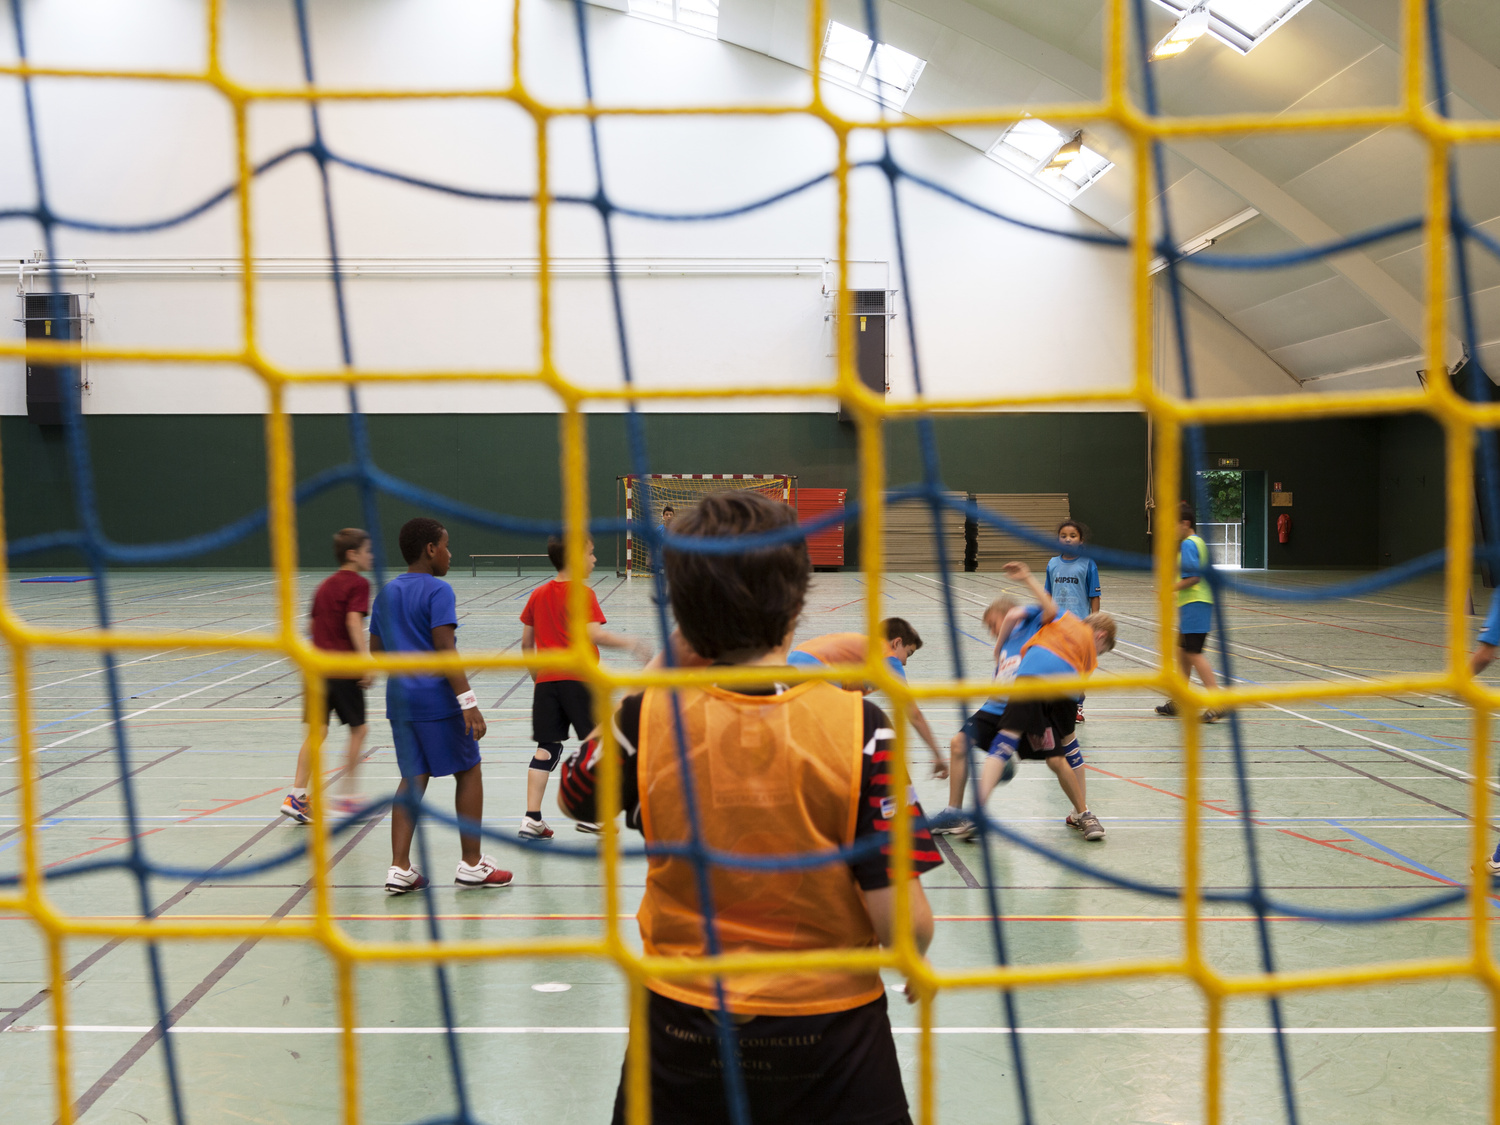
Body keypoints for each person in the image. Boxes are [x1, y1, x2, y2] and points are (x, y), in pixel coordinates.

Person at [555, 491, 941, 1125]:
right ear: (796, 600)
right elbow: (906, 923)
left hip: (681, 1028)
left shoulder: (647, 716)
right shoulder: (860, 724)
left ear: (682, 608)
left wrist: (660, 668)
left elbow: (576, 796)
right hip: (832, 1034)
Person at [373, 517, 511, 894]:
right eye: (446, 546)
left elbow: (376, 652)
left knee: (413, 777)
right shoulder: (438, 590)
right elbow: (445, 648)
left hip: (399, 702)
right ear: (430, 550)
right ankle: (472, 864)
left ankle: (399, 868)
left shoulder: (385, 593)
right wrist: (468, 703)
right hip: (437, 700)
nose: (450, 553)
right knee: (469, 770)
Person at [928, 590, 1095, 838]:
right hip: (995, 708)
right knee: (958, 743)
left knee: (1057, 760)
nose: (993, 631)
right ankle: (954, 813)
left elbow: (1044, 609)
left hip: (1029, 707)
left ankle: (1083, 812)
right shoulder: (1006, 645)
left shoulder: (1033, 627)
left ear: (1005, 615)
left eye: (992, 624)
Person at [519, 534, 651, 840]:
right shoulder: (583, 594)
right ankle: (594, 816)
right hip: (579, 680)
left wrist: (538, 677)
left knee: (547, 748)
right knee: (602, 744)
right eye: (591, 554)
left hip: (547, 683)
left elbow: (527, 644)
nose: (593, 560)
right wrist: (633, 643)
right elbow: (595, 635)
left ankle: (531, 818)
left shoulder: (537, 595)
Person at [972, 562, 1116, 841]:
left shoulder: (1063, 624)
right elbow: (1034, 610)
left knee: (1009, 741)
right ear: (1101, 636)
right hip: (1056, 690)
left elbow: (1023, 612)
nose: (1099, 652)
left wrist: (999, 648)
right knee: (1061, 755)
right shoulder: (1073, 628)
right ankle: (1083, 814)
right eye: (1103, 648)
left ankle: (979, 811)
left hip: (1031, 681)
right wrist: (1026, 578)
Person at [281, 528, 374, 824]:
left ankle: (296, 795)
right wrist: (365, 661)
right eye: (367, 550)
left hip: (316, 669)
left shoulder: (323, 586)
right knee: (359, 730)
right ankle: (346, 800)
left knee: (317, 733)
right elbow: (352, 622)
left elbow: (310, 627)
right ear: (353, 554)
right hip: (341, 668)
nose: (371, 556)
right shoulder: (358, 584)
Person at [787, 620, 949, 779]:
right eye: (908, 654)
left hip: (792, 663)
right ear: (896, 643)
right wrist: (937, 754)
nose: (905, 662)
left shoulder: (861, 655)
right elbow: (913, 714)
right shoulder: (886, 654)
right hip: (816, 668)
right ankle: (900, 793)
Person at [1155, 502, 1223, 724]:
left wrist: (1169, 589)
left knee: (1194, 652)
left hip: (1196, 603)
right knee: (1182, 651)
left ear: (1185, 524)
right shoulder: (1197, 542)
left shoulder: (1188, 544)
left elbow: (1193, 577)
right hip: (1191, 605)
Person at [1045, 519, 1101, 724]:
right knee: (1056, 666)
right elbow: (1046, 595)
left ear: (1081, 540)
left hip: (1080, 626)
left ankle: (1078, 706)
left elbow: (1094, 596)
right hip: (1056, 626)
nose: (1067, 539)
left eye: (1073, 536)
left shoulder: (1088, 564)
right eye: (1063, 536)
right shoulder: (1052, 564)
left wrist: (1094, 624)